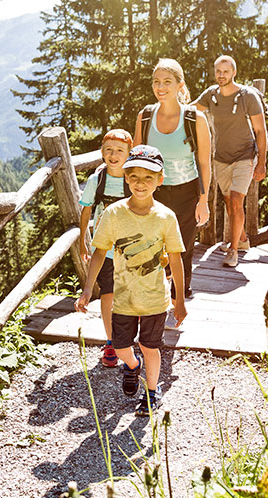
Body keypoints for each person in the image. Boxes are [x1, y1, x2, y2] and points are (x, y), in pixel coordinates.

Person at [75, 145, 187, 417]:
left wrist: (179, 300)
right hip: (123, 297)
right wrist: (88, 289)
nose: (140, 183)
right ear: (126, 177)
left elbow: (175, 258)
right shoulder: (113, 214)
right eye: (134, 176)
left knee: (151, 346)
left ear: (160, 180)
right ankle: (132, 366)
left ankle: (151, 392)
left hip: (153, 299)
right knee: (121, 346)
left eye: (148, 177)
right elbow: (100, 251)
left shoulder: (165, 217)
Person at [133, 58, 211, 304]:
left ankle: (179, 296)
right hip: (152, 193)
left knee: (181, 247)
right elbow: (137, 159)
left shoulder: (195, 119)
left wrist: (203, 200)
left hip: (186, 192)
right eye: (156, 82)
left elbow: (204, 163)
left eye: (167, 81)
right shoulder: (145, 117)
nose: (161, 87)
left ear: (180, 85)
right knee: (151, 245)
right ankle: (153, 297)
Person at [193, 55, 267, 268]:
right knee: (228, 202)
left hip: (245, 156)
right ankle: (242, 240)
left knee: (236, 200)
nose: (221, 75)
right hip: (221, 158)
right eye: (218, 71)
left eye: (226, 71)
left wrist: (261, 162)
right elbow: (189, 110)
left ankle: (233, 250)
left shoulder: (248, 96)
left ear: (234, 72)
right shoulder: (211, 95)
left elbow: (261, 130)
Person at [77, 129, 132, 368]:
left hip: (132, 248)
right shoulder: (96, 181)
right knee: (108, 293)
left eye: (120, 150)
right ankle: (111, 341)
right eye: (109, 150)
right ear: (101, 152)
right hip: (105, 248)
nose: (113, 155)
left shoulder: (134, 178)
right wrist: (83, 241)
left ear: (129, 154)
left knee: (130, 294)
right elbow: (86, 209)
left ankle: (127, 339)